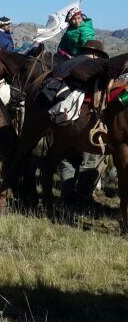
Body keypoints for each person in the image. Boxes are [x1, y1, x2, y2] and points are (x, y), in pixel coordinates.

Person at [52, 39, 108, 211]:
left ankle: (67, 197)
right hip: (88, 124)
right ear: (97, 55)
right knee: (93, 161)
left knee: (68, 159)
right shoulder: (96, 69)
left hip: (62, 120)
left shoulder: (65, 68)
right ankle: (81, 199)